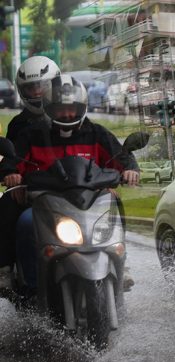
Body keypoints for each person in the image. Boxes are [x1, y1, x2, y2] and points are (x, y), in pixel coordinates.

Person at [7, 75, 139, 298]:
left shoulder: (96, 133)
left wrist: (130, 169)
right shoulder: (33, 135)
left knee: (114, 206)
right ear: (49, 109)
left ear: (82, 108)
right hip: (46, 203)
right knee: (26, 222)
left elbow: (120, 156)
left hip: (90, 202)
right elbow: (14, 161)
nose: (67, 114)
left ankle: (120, 263)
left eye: (72, 108)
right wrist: (11, 174)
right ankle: (32, 286)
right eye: (60, 109)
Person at [0, 56, 62, 288]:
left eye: (42, 86)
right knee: (12, 210)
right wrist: (11, 175)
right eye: (31, 87)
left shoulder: (72, 114)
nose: (37, 92)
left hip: (73, 190)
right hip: (33, 193)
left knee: (110, 204)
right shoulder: (19, 125)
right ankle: (6, 268)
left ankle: (117, 259)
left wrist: (110, 174)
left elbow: (93, 146)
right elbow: (11, 156)